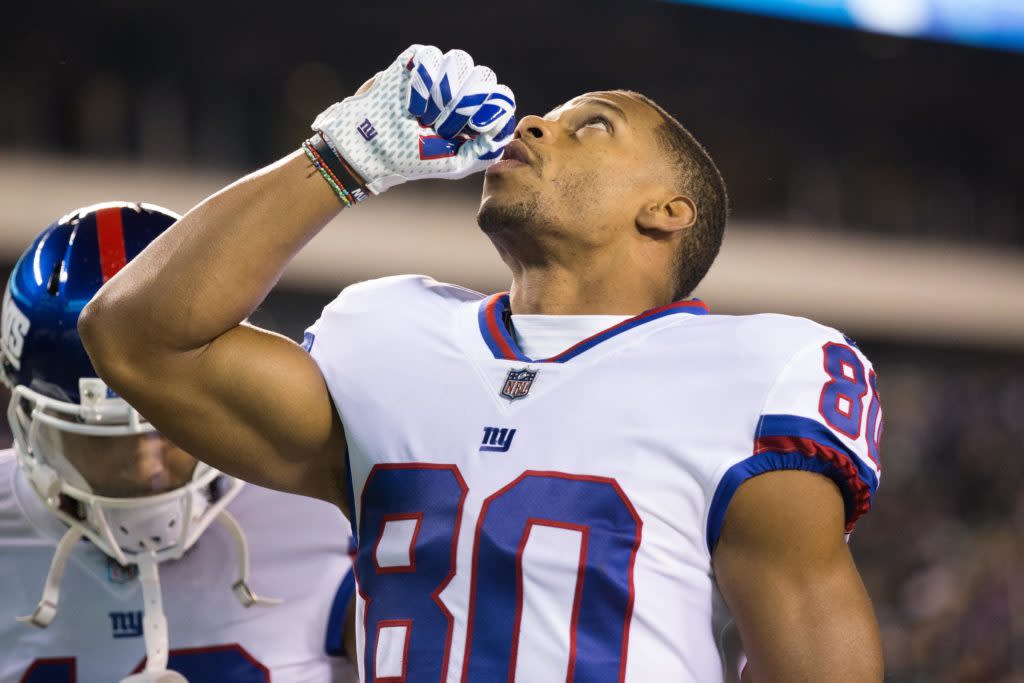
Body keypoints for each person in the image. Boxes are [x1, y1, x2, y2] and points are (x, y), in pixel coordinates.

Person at [79, 45, 885, 681]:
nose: (533, 124)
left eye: (592, 125)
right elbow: (134, 336)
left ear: (668, 212)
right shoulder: (388, 334)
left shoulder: (753, 373)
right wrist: (339, 160)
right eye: (549, 116)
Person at [0, 202, 357, 683]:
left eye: (169, 429)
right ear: (31, 425)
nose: (148, 468)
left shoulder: (330, 500)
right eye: (105, 444)